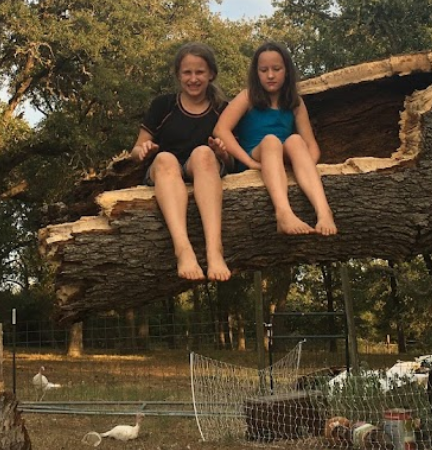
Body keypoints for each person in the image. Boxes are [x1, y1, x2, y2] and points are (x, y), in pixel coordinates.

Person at [132, 42, 232, 281]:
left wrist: (221, 152)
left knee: (203, 153)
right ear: (178, 75)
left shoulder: (223, 109)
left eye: (199, 72)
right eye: (187, 72)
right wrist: (143, 150)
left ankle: (214, 250)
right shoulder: (162, 105)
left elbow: (231, 157)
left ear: (211, 74)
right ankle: (183, 249)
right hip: (166, 171)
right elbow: (135, 151)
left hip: (205, 167)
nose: (193, 78)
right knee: (165, 158)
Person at [215, 41, 337, 236]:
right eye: (264, 70)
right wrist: (248, 161)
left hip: (282, 158)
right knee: (271, 140)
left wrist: (305, 165)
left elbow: (310, 144)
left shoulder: (295, 103)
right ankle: (283, 213)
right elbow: (221, 130)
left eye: (276, 69)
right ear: (256, 73)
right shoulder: (248, 97)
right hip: (255, 156)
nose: (270, 75)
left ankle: (324, 211)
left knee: (296, 141)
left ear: (287, 71)